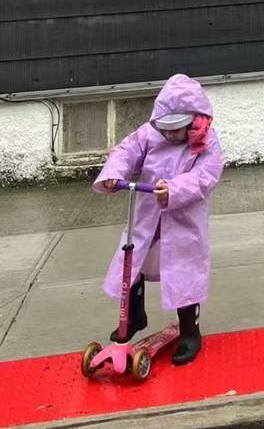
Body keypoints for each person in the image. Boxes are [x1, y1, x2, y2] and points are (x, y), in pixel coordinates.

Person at [94, 73, 223, 365]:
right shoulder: (149, 133)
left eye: (175, 130)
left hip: (183, 216)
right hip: (148, 212)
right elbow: (126, 151)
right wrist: (114, 173)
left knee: (184, 270)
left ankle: (190, 331)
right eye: (165, 129)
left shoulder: (207, 141)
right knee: (131, 259)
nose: (169, 136)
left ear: (193, 121)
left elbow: (206, 175)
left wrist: (176, 189)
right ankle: (134, 316)